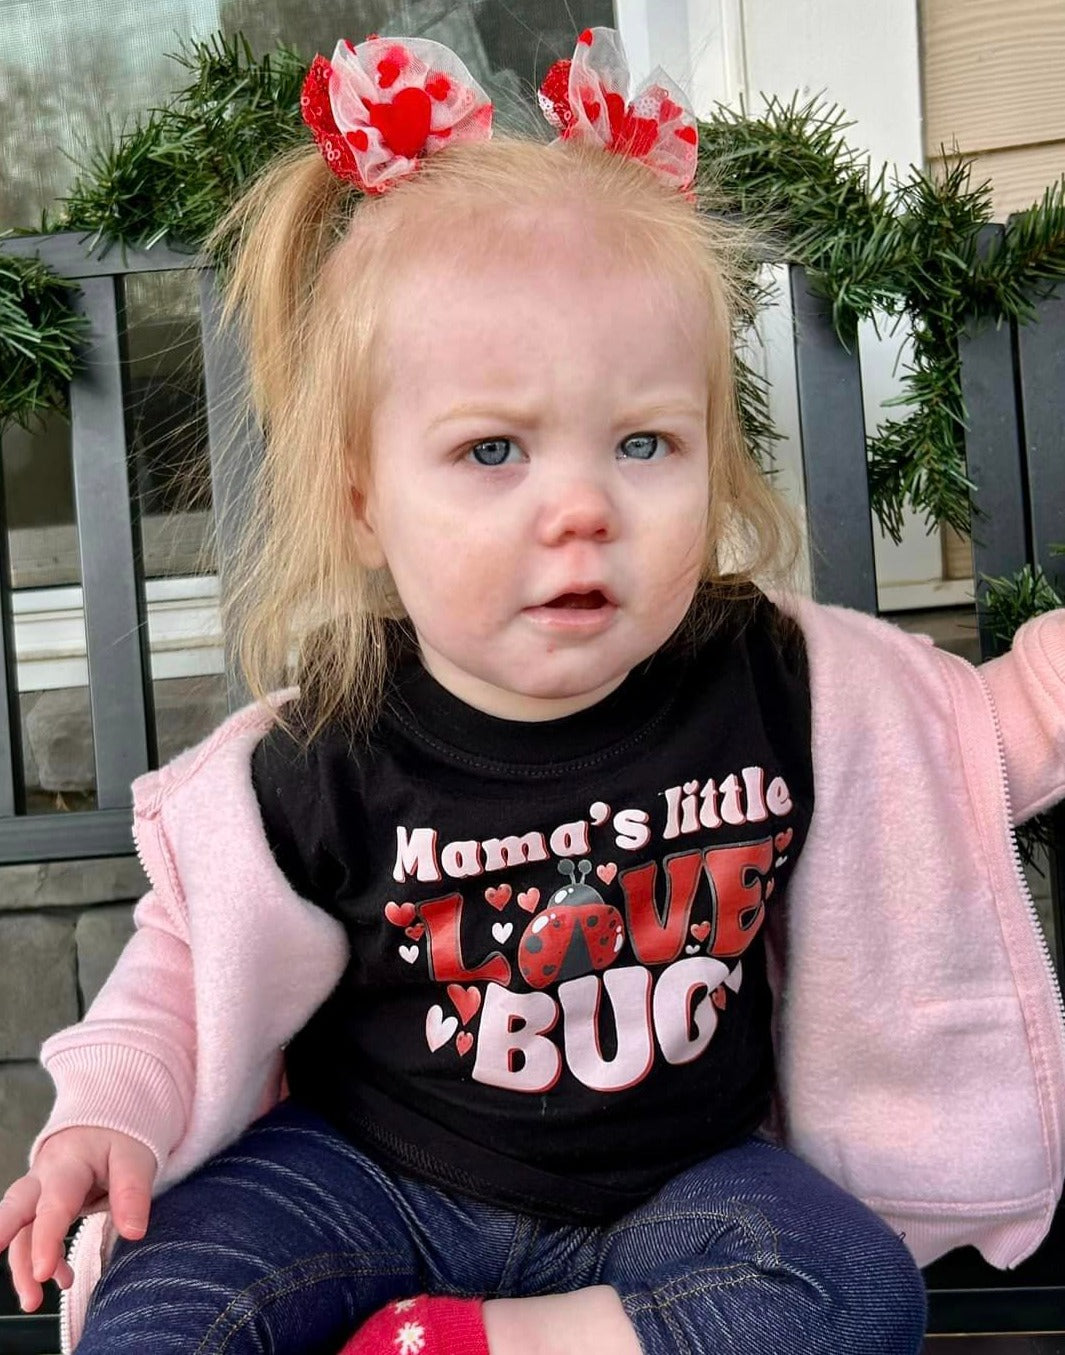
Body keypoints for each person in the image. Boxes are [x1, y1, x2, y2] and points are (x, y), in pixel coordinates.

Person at [2, 26, 1063, 1355]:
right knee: (167, 1306)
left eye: (643, 443)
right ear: (364, 502)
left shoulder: (781, 681)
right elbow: (181, 969)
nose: (580, 508)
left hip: (678, 1186)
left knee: (849, 1288)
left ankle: (457, 1346)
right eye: (494, 450)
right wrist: (108, 1112)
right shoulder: (327, 748)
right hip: (364, 1172)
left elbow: (978, 737)